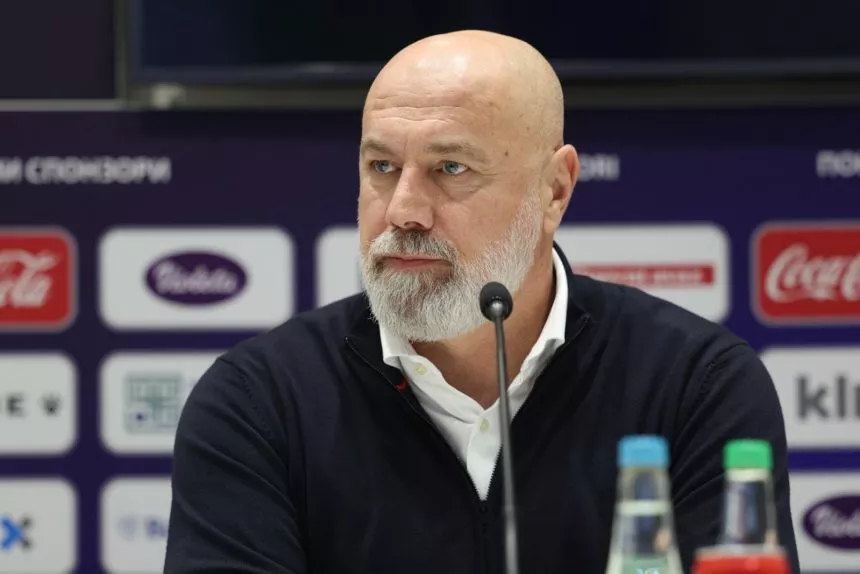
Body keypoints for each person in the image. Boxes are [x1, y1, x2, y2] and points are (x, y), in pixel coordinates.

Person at [164, 30, 800, 574]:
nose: (404, 211)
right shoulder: (260, 401)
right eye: (382, 167)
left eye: (450, 169)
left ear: (555, 190)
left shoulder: (693, 383)